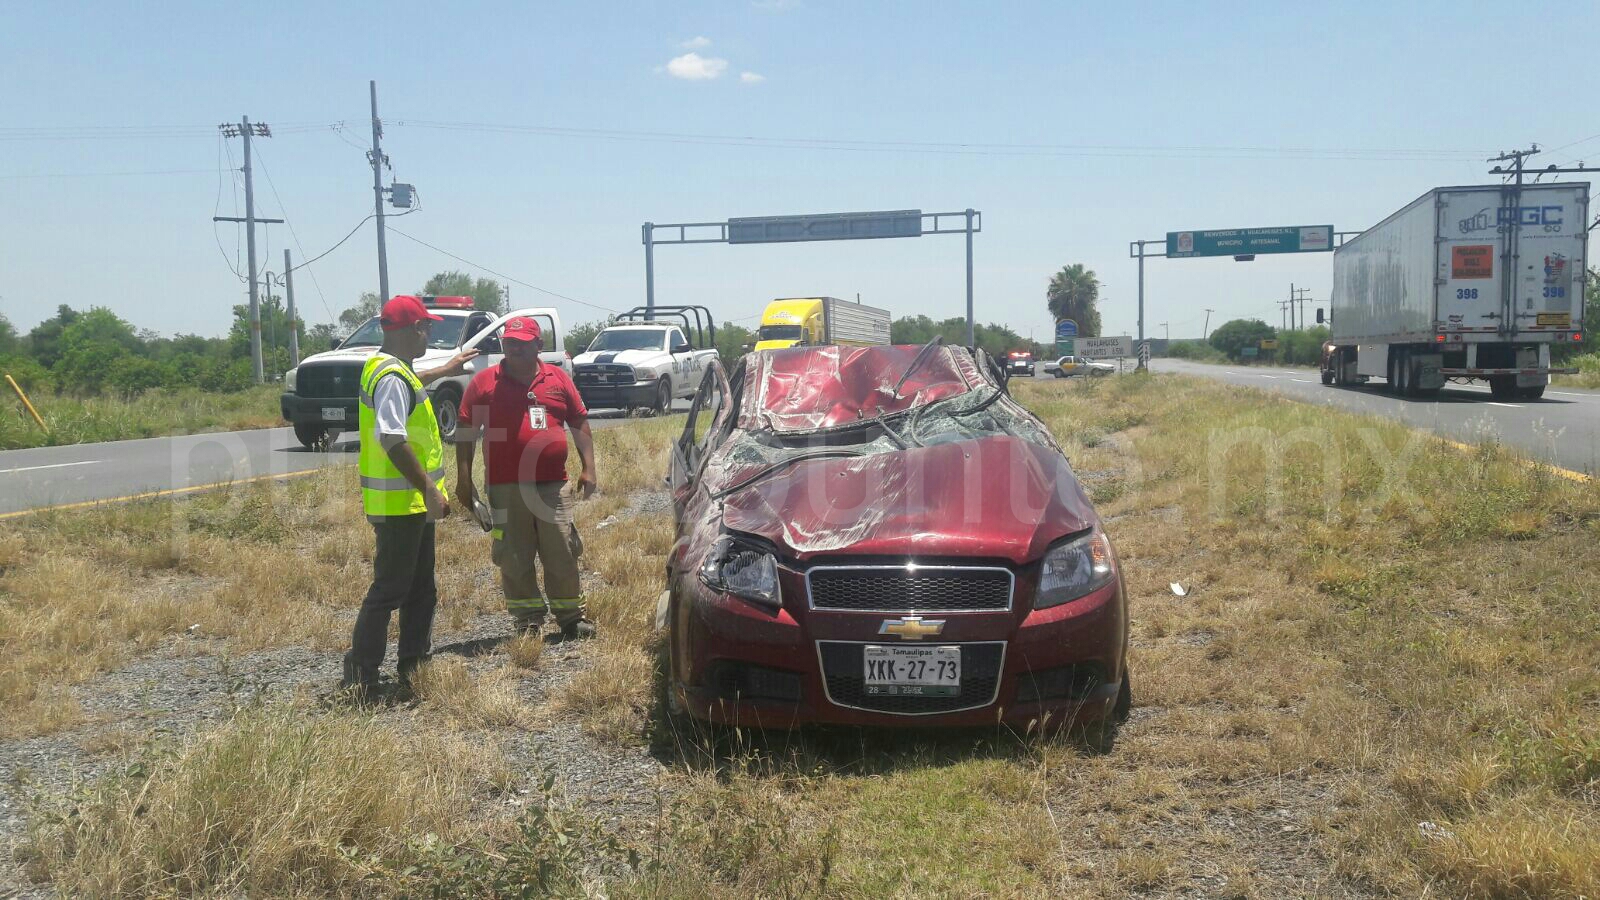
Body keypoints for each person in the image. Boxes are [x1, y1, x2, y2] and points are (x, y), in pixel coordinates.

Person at [341, 295, 478, 694]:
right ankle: (362, 673)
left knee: (420, 588)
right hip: (403, 502)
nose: (430, 333)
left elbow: (409, 384)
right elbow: (393, 439)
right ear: (410, 330)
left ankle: (414, 665)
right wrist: (431, 489)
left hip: (406, 503)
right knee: (391, 589)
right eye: (426, 327)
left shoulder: (389, 368)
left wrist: (446, 369)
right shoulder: (391, 378)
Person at [455, 315, 599, 639]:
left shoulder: (558, 379)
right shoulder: (484, 383)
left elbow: (579, 422)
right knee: (513, 555)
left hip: (553, 485)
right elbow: (465, 432)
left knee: (561, 549)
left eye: (521, 343)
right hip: (505, 487)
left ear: (539, 345)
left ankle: (570, 617)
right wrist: (465, 481)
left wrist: (588, 466)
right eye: (509, 343)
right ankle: (527, 620)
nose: (514, 348)